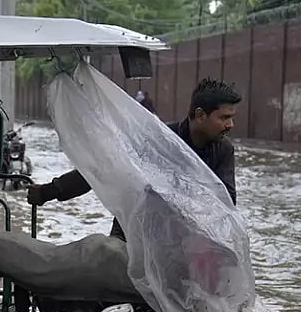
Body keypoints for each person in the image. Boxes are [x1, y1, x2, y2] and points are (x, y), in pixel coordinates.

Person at [27, 77, 241, 241]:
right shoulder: (159, 141)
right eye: (224, 118)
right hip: (136, 230)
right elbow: (106, 168)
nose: (230, 125)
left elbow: (225, 201)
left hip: (185, 240)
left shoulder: (223, 151)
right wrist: (50, 191)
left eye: (231, 118)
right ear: (201, 115)